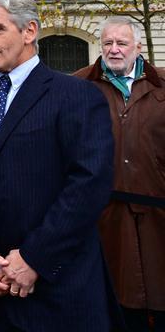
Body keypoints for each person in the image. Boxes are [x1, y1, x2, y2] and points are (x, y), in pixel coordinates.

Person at [0, 0, 117, 331]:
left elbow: (88, 186)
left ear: (29, 31)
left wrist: (34, 257)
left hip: (57, 294)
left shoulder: (76, 96)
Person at [74, 17, 165, 331]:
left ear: (138, 47)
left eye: (121, 43)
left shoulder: (161, 85)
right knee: (114, 301)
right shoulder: (78, 86)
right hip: (104, 218)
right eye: (107, 43)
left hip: (158, 216)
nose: (113, 50)